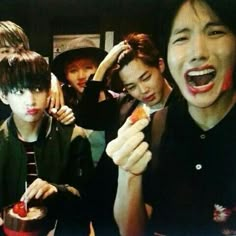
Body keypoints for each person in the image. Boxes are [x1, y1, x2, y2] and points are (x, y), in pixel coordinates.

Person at [106, 0, 236, 235]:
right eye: (181, 38)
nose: (197, 52)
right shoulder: (152, 129)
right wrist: (128, 173)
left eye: (215, 31)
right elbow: (131, 230)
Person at [76, 33, 175, 235]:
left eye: (146, 77)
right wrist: (103, 67)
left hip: (145, 215)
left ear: (160, 65)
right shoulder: (125, 104)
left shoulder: (181, 110)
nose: (142, 90)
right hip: (105, 209)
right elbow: (85, 117)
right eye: (131, 86)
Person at [0, 50, 94, 235]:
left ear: (48, 90)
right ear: (4, 96)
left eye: (37, 89)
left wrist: (56, 190)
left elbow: (90, 198)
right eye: (19, 91)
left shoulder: (73, 137)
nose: (30, 100)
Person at [51, 37, 110, 166]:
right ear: (66, 76)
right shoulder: (61, 105)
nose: (81, 76)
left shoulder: (116, 100)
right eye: (73, 70)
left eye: (88, 67)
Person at [0, 20, 70, 124]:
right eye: (5, 51)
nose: (13, 57)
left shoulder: (42, 84)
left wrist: (63, 117)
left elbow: (54, 118)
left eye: (19, 50)